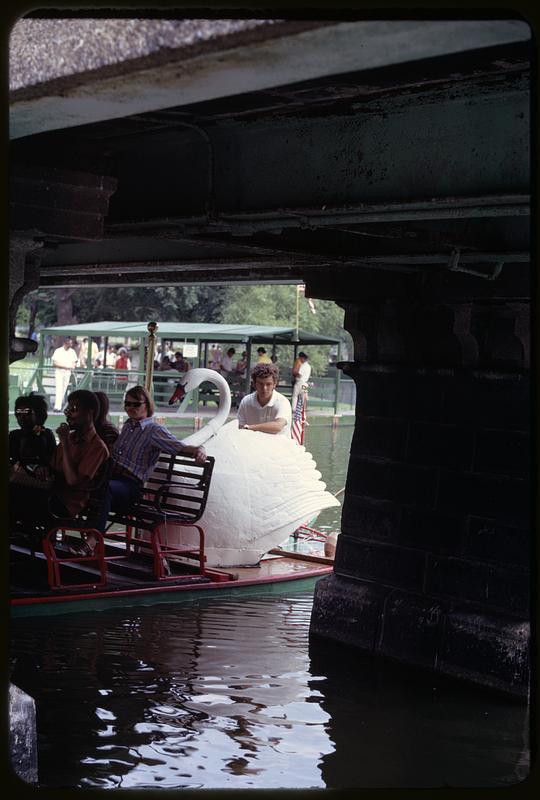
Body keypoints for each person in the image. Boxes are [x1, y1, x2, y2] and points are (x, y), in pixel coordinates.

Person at [97, 385, 207, 531]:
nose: (131, 408)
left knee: (105, 489)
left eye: (136, 404)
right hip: (113, 477)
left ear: (147, 405)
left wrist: (200, 449)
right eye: (128, 404)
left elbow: (178, 446)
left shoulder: (154, 430)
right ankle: (76, 528)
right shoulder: (128, 426)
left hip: (130, 486)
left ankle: (92, 540)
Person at [9, 390, 108, 534]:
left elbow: (73, 481)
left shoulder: (97, 447)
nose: (68, 414)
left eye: (73, 410)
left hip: (65, 503)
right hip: (49, 493)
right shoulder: (70, 439)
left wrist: (65, 443)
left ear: (90, 413)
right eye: (67, 409)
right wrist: (41, 469)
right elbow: (52, 468)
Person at [237, 363, 292, 436]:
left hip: (279, 445)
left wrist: (249, 427)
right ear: (254, 383)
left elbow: (278, 426)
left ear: (274, 384)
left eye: (268, 384)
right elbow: (240, 427)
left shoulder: (282, 402)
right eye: (260, 384)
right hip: (253, 445)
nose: (264, 388)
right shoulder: (246, 401)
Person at [9, 393, 57, 470]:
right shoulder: (13, 435)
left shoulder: (46, 434)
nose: (22, 417)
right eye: (18, 412)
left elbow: (52, 460)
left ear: (39, 414)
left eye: (27, 412)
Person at [51, 337, 78, 411]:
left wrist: (71, 367)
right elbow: (55, 363)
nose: (71, 345)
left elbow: (74, 363)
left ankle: (59, 404)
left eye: (71, 343)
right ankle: (57, 406)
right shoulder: (58, 351)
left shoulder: (72, 352)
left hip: (67, 372)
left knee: (64, 388)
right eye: (69, 343)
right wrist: (65, 366)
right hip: (59, 371)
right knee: (59, 388)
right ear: (65, 343)